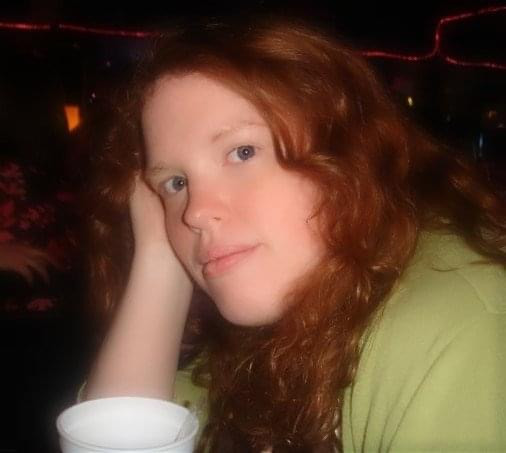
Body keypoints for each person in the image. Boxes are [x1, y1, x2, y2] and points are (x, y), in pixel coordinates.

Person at [81, 16, 506, 452]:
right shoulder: (267, 329)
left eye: (243, 152)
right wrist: (158, 256)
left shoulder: (459, 327)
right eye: (176, 182)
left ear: (346, 151)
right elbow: (122, 439)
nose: (197, 213)